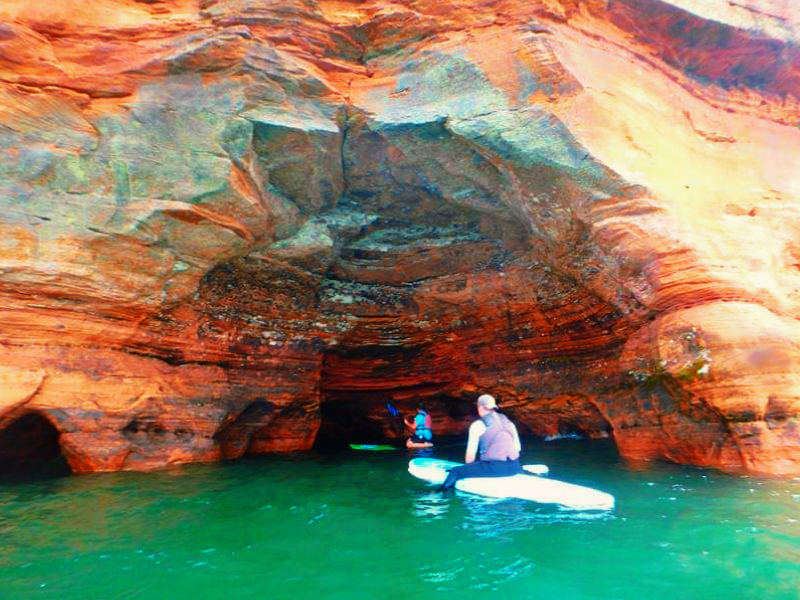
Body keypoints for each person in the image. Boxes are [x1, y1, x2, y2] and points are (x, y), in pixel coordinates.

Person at [440, 393, 521, 490]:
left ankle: (439, 494)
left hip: (496, 468)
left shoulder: (478, 425)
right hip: (515, 467)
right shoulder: (508, 422)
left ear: (480, 407)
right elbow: (518, 448)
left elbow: (470, 458)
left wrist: (468, 471)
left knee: (456, 471)